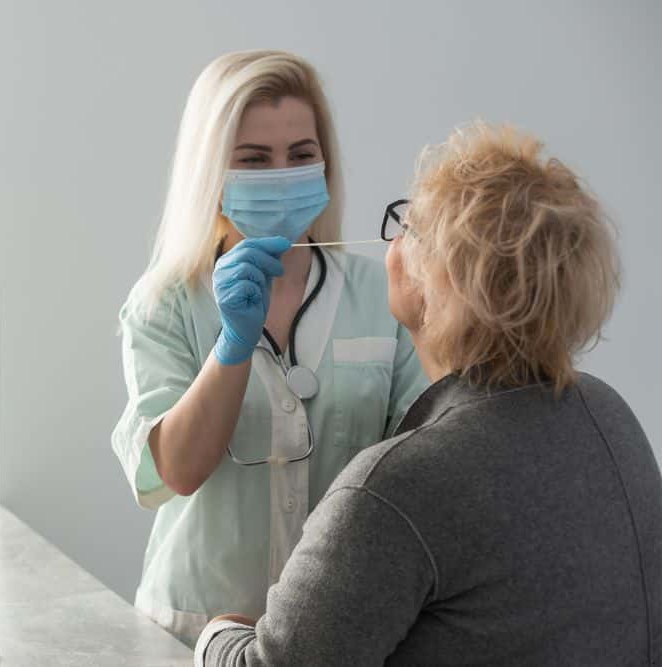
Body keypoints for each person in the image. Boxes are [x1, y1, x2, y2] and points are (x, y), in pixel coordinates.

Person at [194, 122, 662, 666]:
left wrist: (218, 634)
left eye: (409, 225)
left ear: (436, 283)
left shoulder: (395, 487)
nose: (393, 239)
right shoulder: (607, 413)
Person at [111, 50, 429, 646]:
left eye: (301, 155)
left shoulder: (383, 293)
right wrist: (231, 346)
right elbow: (173, 472)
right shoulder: (166, 303)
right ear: (212, 172)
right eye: (254, 160)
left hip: (334, 634)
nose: (283, 173)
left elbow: (422, 465)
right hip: (192, 632)